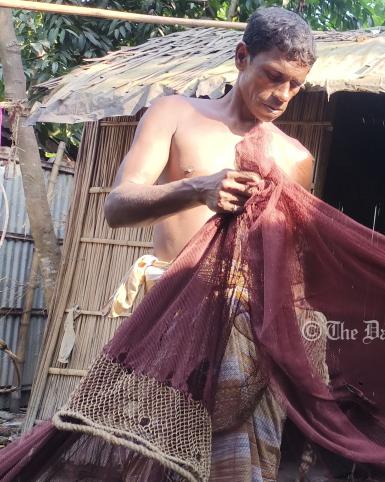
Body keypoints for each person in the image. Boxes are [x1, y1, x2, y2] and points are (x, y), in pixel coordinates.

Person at [99, 7, 318, 480]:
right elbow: (116, 207)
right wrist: (194, 189)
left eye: (295, 85)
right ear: (242, 58)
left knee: (235, 468)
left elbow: (288, 264)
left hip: (246, 337)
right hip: (169, 319)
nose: (281, 94)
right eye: (272, 75)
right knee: (152, 461)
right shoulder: (177, 114)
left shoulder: (295, 158)